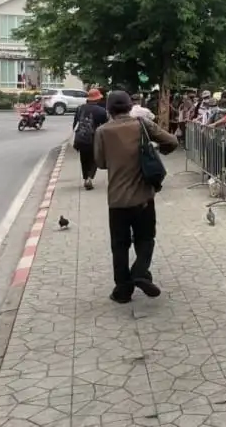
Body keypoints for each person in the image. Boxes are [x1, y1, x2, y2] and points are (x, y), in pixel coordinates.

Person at [93, 91, 178, 303]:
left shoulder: (102, 131)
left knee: (119, 245)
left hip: (117, 200)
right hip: (143, 198)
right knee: (146, 238)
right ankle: (140, 271)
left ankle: (123, 291)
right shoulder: (142, 125)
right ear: (130, 107)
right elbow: (172, 141)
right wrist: (155, 150)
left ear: (109, 109)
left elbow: (101, 163)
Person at [72, 88, 109, 191]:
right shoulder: (101, 111)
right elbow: (105, 126)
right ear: (98, 99)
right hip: (94, 139)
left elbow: (75, 124)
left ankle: (85, 178)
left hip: (81, 138)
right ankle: (89, 177)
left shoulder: (80, 108)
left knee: (83, 159)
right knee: (94, 159)